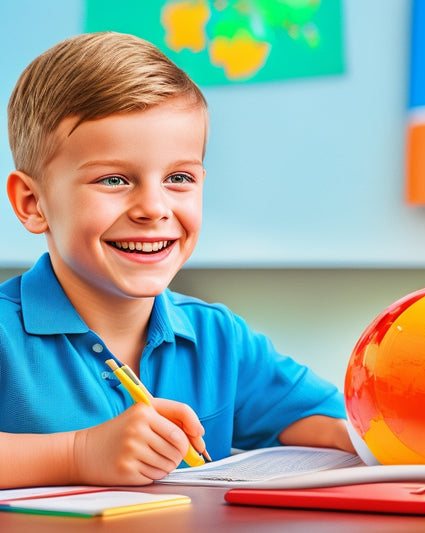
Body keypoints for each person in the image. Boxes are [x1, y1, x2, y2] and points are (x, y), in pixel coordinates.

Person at [1, 31, 355, 489]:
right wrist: (78, 452)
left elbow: (334, 427)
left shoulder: (218, 337)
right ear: (32, 203)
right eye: (113, 179)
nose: (154, 207)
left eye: (179, 177)